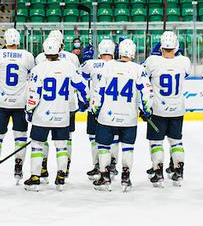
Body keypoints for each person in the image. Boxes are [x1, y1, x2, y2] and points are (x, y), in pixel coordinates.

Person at [23, 36, 88, 191]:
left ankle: (35, 177)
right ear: (60, 49)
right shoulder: (69, 67)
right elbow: (82, 87)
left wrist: (29, 112)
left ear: (44, 51)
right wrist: (82, 103)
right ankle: (60, 176)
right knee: (61, 146)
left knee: (38, 146)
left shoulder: (38, 69)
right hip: (62, 115)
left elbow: (33, 95)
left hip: (42, 116)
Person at [89, 38, 152, 192]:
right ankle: (126, 177)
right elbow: (146, 93)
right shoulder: (138, 69)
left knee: (103, 147)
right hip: (129, 117)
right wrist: (147, 111)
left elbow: (98, 92)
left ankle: (104, 178)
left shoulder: (107, 66)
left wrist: (95, 110)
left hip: (107, 116)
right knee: (128, 148)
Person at [142, 31, 192, 186]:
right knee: (176, 142)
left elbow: (143, 74)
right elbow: (186, 73)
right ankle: (178, 172)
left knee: (156, 143)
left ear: (161, 46)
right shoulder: (184, 61)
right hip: (177, 109)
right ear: (176, 46)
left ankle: (158, 173)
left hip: (158, 110)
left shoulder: (152, 61)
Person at [0, 28, 36, 183]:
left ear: (5, 41)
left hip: (1, 103)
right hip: (20, 103)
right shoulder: (27, 56)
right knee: (20, 136)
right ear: (19, 41)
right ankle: (18, 165)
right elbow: (31, 73)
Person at [81, 39, 116, 179]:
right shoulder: (120, 65)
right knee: (113, 139)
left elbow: (81, 75)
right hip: (113, 108)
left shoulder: (91, 64)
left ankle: (97, 165)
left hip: (95, 107)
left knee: (94, 139)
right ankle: (112, 165)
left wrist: (86, 59)